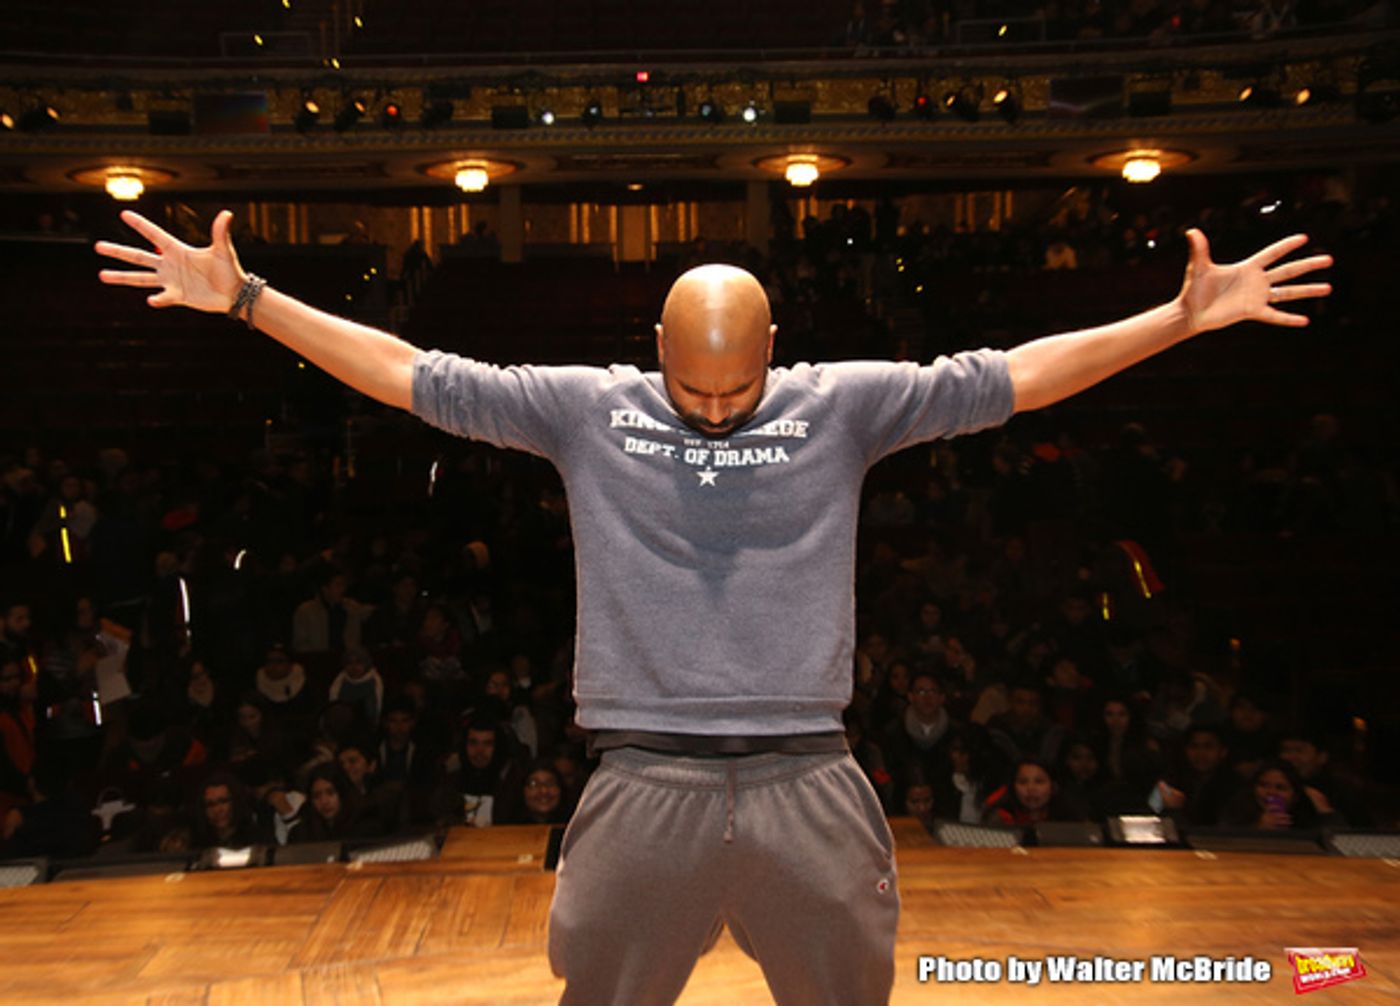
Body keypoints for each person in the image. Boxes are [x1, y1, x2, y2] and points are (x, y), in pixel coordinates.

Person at [97, 207, 1332, 1006]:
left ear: (774, 347)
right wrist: (251, 301)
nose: (714, 409)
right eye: (692, 390)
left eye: (736, 390)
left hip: (808, 774)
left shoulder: (840, 404)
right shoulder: (588, 408)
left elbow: (1011, 378)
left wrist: (1176, 320)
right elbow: (416, 377)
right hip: (642, 777)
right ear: (654, 346)